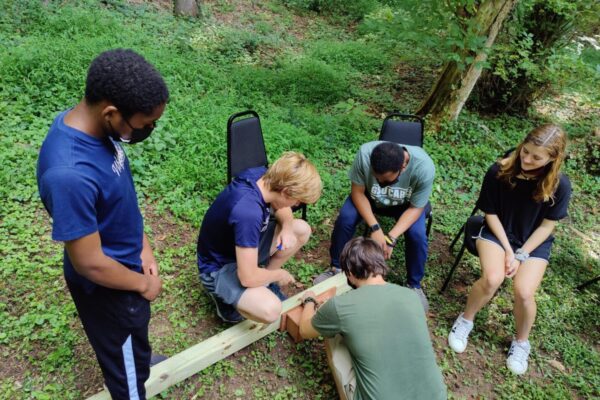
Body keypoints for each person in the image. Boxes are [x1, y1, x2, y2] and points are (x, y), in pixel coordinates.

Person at [37, 49, 169, 399]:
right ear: (111, 113)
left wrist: (143, 247)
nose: (149, 131)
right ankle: (131, 378)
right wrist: (142, 285)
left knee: (133, 340)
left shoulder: (96, 128)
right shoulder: (69, 175)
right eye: (144, 125)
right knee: (126, 371)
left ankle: (137, 361)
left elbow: (120, 197)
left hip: (126, 262)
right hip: (110, 287)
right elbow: (90, 263)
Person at [448, 124, 571, 375]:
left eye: (537, 157)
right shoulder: (499, 171)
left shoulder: (560, 185)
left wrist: (521, 253)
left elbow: (548, 227)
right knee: (493, 278)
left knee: (524, 292)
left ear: (553, 158)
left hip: (533, 242)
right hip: (498, 231)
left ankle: (521, 342)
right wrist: (507, 250)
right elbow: (490, 213)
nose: (527, 159)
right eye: (525, 151)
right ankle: (466, 320)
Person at [299, 237, 446, 400]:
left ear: (349, 272)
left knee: (330, 333)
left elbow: (305, 330)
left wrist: (310, 301)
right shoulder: (411, 296)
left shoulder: (340, 306)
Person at [196, 152, 322, 324]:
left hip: (240, 248)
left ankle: (264, 283)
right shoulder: (248, 213)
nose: (296, 206)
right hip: (219, 267)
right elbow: (247, 278)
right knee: (271, 310)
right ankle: (223, 298)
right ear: (286, 192)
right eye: (297, 201)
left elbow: (281, 208)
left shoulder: (265, 177)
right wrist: (278, 274)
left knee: (300, 230)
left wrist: (286, 227)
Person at [315, 141, 435, 311]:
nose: (378, 181)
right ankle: (335, 268)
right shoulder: (364, 154)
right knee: (345, 219)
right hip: (369, 199)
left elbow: (416, 208)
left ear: (403, 166)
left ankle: (414, 285)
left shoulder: (424, 168)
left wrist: (390, 237)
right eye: (376, 177)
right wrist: (375, 228)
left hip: (405, 206)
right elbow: (357, 193)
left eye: (385, 180)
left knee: (417, 235)